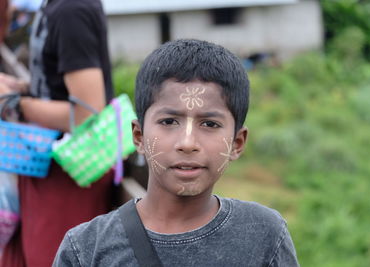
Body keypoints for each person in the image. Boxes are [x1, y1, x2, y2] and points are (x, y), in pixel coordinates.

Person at [53, 39, 300, 266]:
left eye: (210, 124)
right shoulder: (85, 250)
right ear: (139, 136)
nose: (187, 142)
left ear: (237, 143)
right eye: (169, 121)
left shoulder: (264, 234)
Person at [0, 0, 115, 266]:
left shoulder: (71, 9)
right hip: (47, 165)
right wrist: (21, 88)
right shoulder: (54, 6)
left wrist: (16, 103)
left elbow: (87, 112)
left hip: (71, 173)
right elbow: (59, 86)